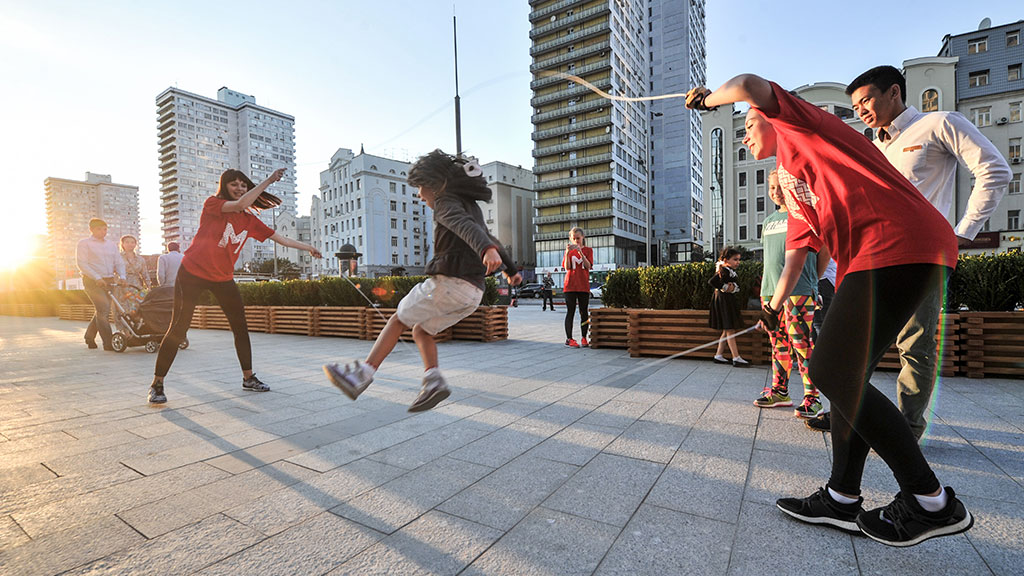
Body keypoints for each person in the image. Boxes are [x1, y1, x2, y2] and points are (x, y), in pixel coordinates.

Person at [686, 74, 972, 546]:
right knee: (846, 376)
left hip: (898, 242)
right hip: (878, 254)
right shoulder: (792, 179)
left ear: (772, 120)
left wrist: (709, 100)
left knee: (831, 371)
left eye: (748, 127)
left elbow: (751, 85)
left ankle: (931, 502)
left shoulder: (803, 127)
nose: (744, 136)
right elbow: (799, 249)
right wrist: (772, 308)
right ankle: (841, 497)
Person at [806, 65, 1011, 441]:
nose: (861, 111)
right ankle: (847, 414)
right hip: (875, 257)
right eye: (855, 106)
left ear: (894, 93)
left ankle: (909, 428)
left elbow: (995, 170)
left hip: (922, 257)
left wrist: (963, 233)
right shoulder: (874, 146)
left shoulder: (938, 124)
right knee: (857, 342)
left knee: (915, 343)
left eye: (866, 100)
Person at [323, 150, 521, 412]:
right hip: (473, 294)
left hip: (449, 284)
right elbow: (487, 235)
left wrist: (486, 249)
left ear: (436, 184)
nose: (419, 194)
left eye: (420, 187)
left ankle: (362, 375)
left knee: (397, 320)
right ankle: (433, 381)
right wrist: (510, 268)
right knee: (421, 330)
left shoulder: (446, 203)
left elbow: (462, 225)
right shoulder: (470, 206)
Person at [147, 168, 321, 404]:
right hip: (192, 273)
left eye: (243, 185)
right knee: (178, 328)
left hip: (222, 277)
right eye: (234, 184)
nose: (239, 188)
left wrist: (308, 248)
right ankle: (157, 383)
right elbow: (239, 204)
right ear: (224, 186)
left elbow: (281, 239)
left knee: (240, 327)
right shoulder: (213, 205)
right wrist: (269, 180)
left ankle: (248, 378)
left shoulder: (249, 220)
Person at [756, 170, 824, 417]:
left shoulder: (804, 216)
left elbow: (821, 250)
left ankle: (812, 397)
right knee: (778, 343)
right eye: (772, 188)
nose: (776, 192)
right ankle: (780, 390)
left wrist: (813, 283)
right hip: (771, 291)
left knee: (801, 343)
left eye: (780, 187)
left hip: (800, 290)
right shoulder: (768, 221)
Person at [76, 218, 125, 350]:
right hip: (92, 281)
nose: (103, 232)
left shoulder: (111, 245)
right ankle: (108, 343)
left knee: (102, 311)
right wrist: (97, 277)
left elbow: (118, 262)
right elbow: (82, 263)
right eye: (99, 229)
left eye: (105, 229)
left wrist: (123, 276)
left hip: (109, 280)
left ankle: (89, 336)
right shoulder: (84, 244)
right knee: (103, 309)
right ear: (91, 229)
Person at [709, 247, 749, 367]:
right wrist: (726, 287)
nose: (738, 262)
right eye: (735, 259)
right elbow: (712, 281)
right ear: (726, 260)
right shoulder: (724, 270)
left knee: (727, 329)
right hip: (724, 300)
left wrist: (731, 287)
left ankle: (718, 355)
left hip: (725, 300)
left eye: (738, 260)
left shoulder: (727, 270)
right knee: (730, 328)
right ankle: (736, 357)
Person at [562, 227, 592, 348]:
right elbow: (567, 267)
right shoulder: (568, 251)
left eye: (578, 238)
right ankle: (569, 338)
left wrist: (580, 252)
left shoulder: (588, 250)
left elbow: (588, 265)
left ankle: (584, 337)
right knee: (570, 311)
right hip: (570, 286)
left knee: (584, 312)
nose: (576, 241)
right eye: (574, 239)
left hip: (583, 285)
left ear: (583, 237)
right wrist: (568, 252)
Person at [119, 235, 150, 316]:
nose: (130, 244)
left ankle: (135, 327)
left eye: (132, 242)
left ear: (135, 244)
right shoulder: (117, 257)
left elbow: (145, 273)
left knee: (136, 307)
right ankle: (124, 328)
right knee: (123, 308)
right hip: (121, 285)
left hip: (136, 286)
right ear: (122, 244)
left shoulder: (140, 259)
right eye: (127, 242)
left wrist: (148, 286)